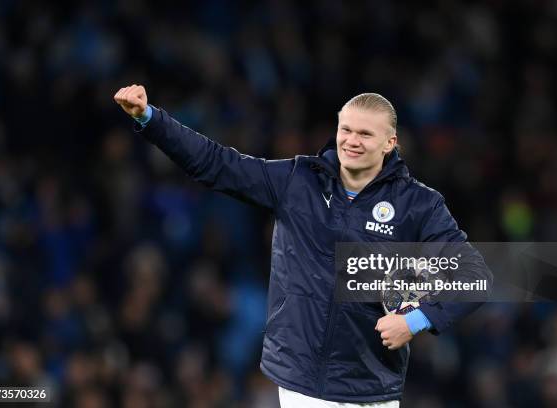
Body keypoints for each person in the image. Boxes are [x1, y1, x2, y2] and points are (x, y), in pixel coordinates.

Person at [114, 85, 490, 407]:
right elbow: (215, 163)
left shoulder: (419, 205)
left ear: (391, 143)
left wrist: (414, 321)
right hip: (301, 380)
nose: (351, 141)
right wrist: (150, 118)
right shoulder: (298, 181)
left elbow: (474, 276)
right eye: (346, 130)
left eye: (365, 134)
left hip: (373, 386)